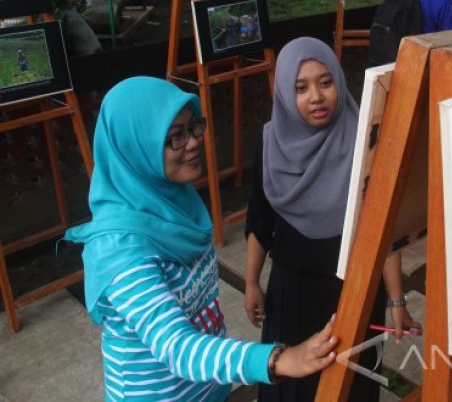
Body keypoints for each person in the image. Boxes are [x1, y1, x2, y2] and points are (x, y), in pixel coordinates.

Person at [64, 76, 339, 401]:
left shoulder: (175, 205)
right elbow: (176, 347)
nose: (194, 142)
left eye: (193, 127)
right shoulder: (120, 252)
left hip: (206, 389)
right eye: (175, 137)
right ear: (134, 147)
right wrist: (276, 360)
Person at [244, 37, 422, 401]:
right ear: (283, 93)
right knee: (292, 388)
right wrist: (250, 283)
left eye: (325, 82)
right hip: (291, 294)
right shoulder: (270, 143)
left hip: (352, 292)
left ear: (339, 82)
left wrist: (396, 301)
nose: (316, 96)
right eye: (301, 87)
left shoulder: (364, 139)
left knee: (353, 384)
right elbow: (260, 219)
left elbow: (382, 228)